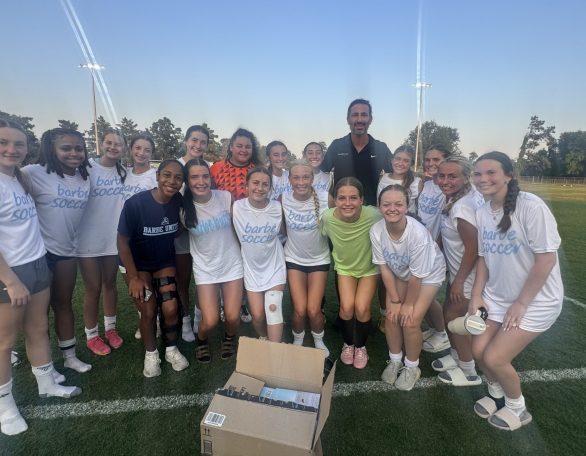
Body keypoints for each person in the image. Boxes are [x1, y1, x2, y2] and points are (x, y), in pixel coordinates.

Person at [469, 151, 563, 431]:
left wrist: (521, 303)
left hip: (535, 301)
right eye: (477, 174)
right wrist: (476, 295)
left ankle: (517, 408)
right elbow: (483, 258)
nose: (483, 179)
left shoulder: (530, 207)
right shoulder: (482, 211)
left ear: (509, 175)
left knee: (495, 358)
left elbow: (546, 259)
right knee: (477, 350)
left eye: (491, 172)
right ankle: (496, 394)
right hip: (497, 297)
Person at [0, 119, 81, 436]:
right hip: (11, 273)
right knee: (4, 342)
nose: (11, 149)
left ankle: (46, 382)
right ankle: (5, 406)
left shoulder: (18, 178)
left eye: (18, 144)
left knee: (37, 328)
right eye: (4, 142)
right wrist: (9, 280)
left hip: (36, 263)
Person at [22, 128, 92, 373]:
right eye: (66, 148)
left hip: (67, 251)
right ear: (51, 149)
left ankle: (70, 356)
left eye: (78, 148)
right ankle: (43, 364)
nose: (74, 153)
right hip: (37, 253)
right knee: (36, 314)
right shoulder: (33, 173)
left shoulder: (85, 176)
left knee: (63, 303)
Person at [117, 159, 189, 377]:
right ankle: (151, 355)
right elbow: (121, 240)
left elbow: (177, 229)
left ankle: (171, 349)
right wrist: (133, 278)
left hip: (163, 262)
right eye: (167, 175)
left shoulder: (178, 201)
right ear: (157, 175)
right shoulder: (136, 203)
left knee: (170, 307)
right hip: (136, 265)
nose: (172, 181)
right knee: (148, 311)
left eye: (178, 177)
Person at [370, 184, 446, 390]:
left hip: (427, 274)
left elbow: (417, 277)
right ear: (379, 207)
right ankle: (395, 360)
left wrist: (408, 305)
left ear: (407, 205)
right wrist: (395, 301)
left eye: (398, 204)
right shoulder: (376, 230)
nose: (392, 208)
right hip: (401, 271)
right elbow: (384, 268)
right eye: (386, 204)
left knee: (410, 321)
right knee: (392, 316)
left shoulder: (418, 234)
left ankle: (412, 366)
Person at [182, 158, 243, 362]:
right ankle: (202, 339)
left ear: (211, 177)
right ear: (187, 181)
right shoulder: (183, 208)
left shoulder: (225, 197)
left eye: (205, 176)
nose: (201, 181)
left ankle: (229, 338)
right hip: (205, 269)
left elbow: (242, 225)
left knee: (233, 316)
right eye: (194, 177)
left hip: (232, 264)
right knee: (210, 320)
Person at [432, 157, 483, 386]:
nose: (445, 180)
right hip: (458, 273)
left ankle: (468, 370)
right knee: (450, 316)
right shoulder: (456, 199)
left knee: (454, 319)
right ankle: (456, 356)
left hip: (467, 277)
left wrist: (460, 281)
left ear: (465, 177)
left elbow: (473, 247)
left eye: (452, 176)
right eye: (441, 175)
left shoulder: (462, 206)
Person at [76, 130, 127, 356]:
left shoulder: (124, 172)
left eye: (118, 144)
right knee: (92, 287)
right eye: (109, 142)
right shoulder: (86, 167)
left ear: (124, 148)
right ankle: (92, 335)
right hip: (87, 239)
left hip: (112, 238)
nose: (113, 147)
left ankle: (110, 329)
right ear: (101, 144)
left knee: (110, 285)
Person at [320, 177, 381, 369]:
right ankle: (349, 344)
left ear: (362, 200)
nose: (347, 203)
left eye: (353, 198)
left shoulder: (373, 215)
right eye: (342, 198)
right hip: (345, 269)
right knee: (346, 308)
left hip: (369, 269)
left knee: (362, 308)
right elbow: (319, 235)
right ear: (335, 200)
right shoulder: (327, 218)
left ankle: (361, 347)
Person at [211, 128, 262, 323]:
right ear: (231, 147)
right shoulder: (216, 168)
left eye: (247, 146)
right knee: (227, 265)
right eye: (239, 145)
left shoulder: (257, 168)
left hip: (250, 227)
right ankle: (225, 305)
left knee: (245, 265)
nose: (243, 150)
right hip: (222, 227)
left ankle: (242, 303)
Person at [282, 160, 330, 357]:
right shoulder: (283, 198)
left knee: (313, 310)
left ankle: (319, 340)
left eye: (305, 177)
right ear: (289, 179)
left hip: (319, 260)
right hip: (294, 259)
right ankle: (298, 339)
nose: (301, 182)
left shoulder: (326, 198)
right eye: (296, 177)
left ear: (312, 178)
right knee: (300, 309)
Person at [232, 167, 286, 342]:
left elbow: (286, 232)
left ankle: (275, 353)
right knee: (257, 315)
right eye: (255, 183)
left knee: (273, 308)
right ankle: (264, 338)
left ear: (270, 187)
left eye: (265, 184)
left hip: (275, 266)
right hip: (251, 270)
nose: (260, 188)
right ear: (246, 185)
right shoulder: (236, 208)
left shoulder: (278, 208)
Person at [375, 145, 422, 333]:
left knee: (409, 276)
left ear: (411, 164)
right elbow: (382, 204)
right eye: (398, 158)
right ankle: (385, 312)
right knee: (386, 275)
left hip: (408, 233)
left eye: (406, 160)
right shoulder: (384, 179)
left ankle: (409, 310)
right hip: (388, 231)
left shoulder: (417, 182)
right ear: (392, 159)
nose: (401, 163)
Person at [120, 133, 158, 340]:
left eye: (147, 150)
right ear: (131, 149)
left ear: (152, 153)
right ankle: (144, 317)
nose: (142, 153)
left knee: (152, 285)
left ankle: (155, 319)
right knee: (136, 286)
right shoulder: (123, 174)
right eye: (138, 148)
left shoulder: (155, 176)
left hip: (151, 240)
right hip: (127, 239)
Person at [320, 99, 392, 206]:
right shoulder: (336, 146)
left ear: (370, 119)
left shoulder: (380, 148)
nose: (359, 120)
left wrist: (418, 182)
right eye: (355, 115)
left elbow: (397, 175)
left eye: (364, 115)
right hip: (342, 210)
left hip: (370, 213)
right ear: (348, 119)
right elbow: (320, 173)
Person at [176, 125, 211, 341]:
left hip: (203, 231)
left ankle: (199, 317)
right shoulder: (177, 166)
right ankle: (185, 320)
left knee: (202, 277)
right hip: (180, 230)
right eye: (194, 140)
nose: (198, 145)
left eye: (203, 142)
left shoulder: (206, 166)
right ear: (186, 141)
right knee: (182, 278)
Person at [417, 144, 453, 353]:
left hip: (435, 250)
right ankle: (434, 328)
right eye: (428, 160)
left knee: (426, 295)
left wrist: (435, 248)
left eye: (436, 160)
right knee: (423, 293)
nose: (430, 164)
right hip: (422, 246)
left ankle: (442, 333)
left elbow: (444, 222)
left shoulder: (447, 188)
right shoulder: (427, 184)